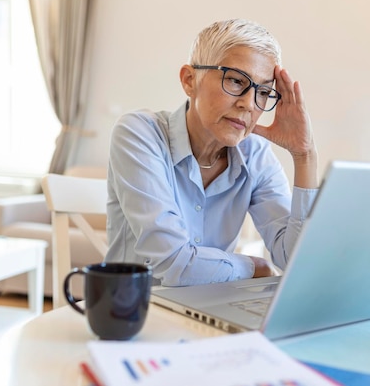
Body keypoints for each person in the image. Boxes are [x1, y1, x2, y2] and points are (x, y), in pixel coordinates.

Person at [105, 18, 319, 286]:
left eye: (263, 92)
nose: (249, 104)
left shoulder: (255, 154)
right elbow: (173, 264)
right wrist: (254, 266)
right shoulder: (139, 133)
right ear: (189, 80)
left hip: (212, 314)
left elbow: (296, 261)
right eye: (235, 81)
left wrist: (304, 155)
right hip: (136, 314)